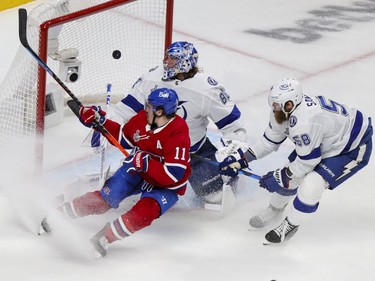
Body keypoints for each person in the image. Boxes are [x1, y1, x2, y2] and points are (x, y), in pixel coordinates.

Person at [40, 88, 192, 257]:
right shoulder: (143, 118)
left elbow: (173, 175)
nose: (145, 108)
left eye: (149, 106)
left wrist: (146, 163)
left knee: (146, 211)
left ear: (160, 111)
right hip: (138, 169)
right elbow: (123, 137)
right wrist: (100, 121)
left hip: (166, 184)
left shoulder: (178, 132)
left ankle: (104, 238)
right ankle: (59, 215)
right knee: (104, 199)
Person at [219, 77, 373, 244]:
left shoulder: (304, 123)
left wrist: (280, 176)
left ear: (290, 104)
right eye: (273, 103)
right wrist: (242, 160)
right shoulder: (282, 111)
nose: (274, 107)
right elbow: (269, 142)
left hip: (352, 147)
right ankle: (274, 209)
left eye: (277, 104)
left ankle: (290, 225)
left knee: (311, 185)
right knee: (290, 177)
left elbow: (308, 163)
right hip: (329, 140)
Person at [95, 41, 248, 207]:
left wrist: (232, 155)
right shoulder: (151, 78)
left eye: (173, 58)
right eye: (167, 56)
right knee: (119, 191)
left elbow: (234, 126)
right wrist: (105, 128)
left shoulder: (206, 89)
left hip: (192, 153)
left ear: (185, 63)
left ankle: (226, 178)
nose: (166, 61)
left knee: (214, 197)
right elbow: (125, 110)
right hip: (150, 150)